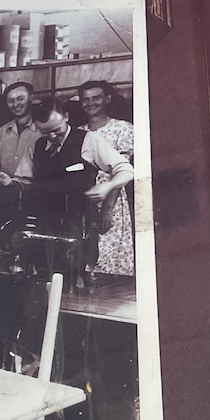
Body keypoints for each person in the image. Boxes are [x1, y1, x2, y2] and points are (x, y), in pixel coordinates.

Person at [26, 98, 134, 277]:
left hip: (78, 224)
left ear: (66, 117)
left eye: (56, 130)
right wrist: (11, 181)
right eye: (46, 132)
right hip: (45, 224)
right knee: (45, 275)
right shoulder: (37, 146)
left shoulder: (89, 141)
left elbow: (126, 170)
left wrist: (108, 186)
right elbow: (25, 179)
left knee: (76, 276)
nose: (52, 137)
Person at [77, 80, 135, 277]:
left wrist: (108, 210)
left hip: (112, 200)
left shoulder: (122, 128)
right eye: (85, 99)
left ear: (107, 99)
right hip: (86, 201)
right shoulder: (79, 132)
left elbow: (120, 172)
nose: (90, 103)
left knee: (109, 257)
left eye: (96, 98)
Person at [0, 82, 42, 188]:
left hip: (33, 194)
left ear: (31, 98)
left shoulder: (42, 132)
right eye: (10, 101)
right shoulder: (0, 133)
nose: (15, 104)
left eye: (20, 98)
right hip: (4, 193)